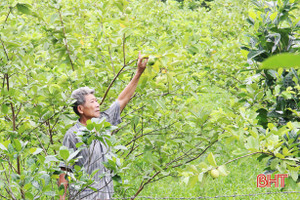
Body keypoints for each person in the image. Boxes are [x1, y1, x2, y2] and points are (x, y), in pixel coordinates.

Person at [58, 52, 148, 200]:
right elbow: (64, 172)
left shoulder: (103, 124)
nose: (97, 104)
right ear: (80, 109)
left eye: (97, 101)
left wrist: (138, 73)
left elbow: (122, 99)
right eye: (92, 102)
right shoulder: (72, 134)